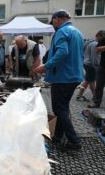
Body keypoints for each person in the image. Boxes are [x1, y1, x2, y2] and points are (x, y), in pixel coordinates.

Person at [33, 10, 84, 151]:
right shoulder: (77, 32)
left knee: (59, 108)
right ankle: (58, 137)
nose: (53, 25)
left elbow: (63, 52)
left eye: (53, 22)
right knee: (63, 107)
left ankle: (74, 141)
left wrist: (46, 66)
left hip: (63, 77)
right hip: (74, 76)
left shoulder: (62, 32)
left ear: (56, 19)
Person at [77, 30, 105, 101]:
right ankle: (95, 96)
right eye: (102, 38)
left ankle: (79, 95)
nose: (103, 40)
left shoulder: (89, 42)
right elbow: (94, 57)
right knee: (92, 81)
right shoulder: (95, 44)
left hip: (86, 63)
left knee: (87, 80)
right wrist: (96, 67)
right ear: (98, 36)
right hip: (91, 65)